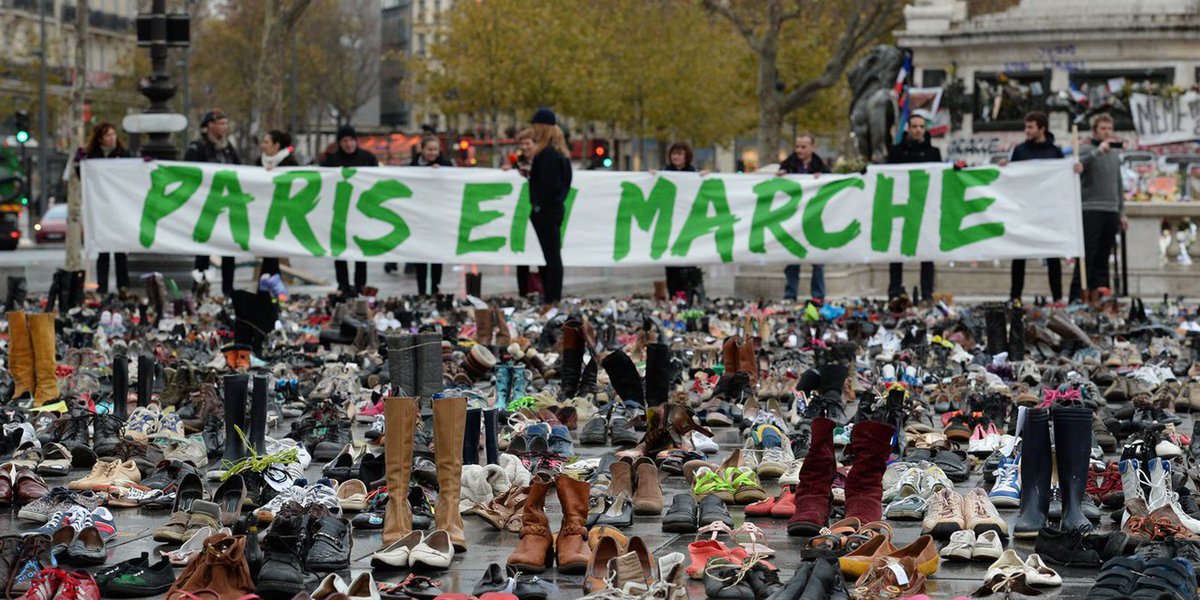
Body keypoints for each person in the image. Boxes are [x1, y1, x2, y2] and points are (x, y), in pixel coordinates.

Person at [1003, 112, 1079, 305]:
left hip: (1048, 212)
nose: (1026, 131)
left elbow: (1063, 180)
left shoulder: (1055, 152)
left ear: (1042, 128)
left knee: (1053, 254)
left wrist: (1073, 171)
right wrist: (1005, 168)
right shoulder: (1020, 151)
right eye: (1026, 127)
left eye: (1030, 127)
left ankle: (1057, 297)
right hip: (1025, 211)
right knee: (1019, 255)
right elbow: (1012, 179)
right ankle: (1015, 296)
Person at [515, 108, 571, 305]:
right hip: (553, 210)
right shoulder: (558, 153)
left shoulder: (546, 154)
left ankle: (552, 298)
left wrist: (537, 205)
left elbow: (548, 185)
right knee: (552, 256)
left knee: (552, 257)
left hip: (546, 212)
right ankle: (552, 297)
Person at [1069, 114, 1127, 304]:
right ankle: (1077, 295)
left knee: (1103, 256)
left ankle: (1099, 295)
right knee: (1087, 255)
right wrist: (1098, 151)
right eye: (1102, 129)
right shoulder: (1086, 150)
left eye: (1109, 128)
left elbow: (1118, 184)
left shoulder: (1114, 155)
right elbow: (1078, 167)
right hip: (1090, 209)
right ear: (1095, 131)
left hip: (1110, 210)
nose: (1107, 132)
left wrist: (1121, 213)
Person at [885, 114, 942, 306]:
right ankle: (895, 291)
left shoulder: (934, 153)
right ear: (908, 129)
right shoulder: (896, 152)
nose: (918, 130)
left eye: (921, 126)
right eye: (914, 126)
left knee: (927, 251)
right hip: (901, 208)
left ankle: (927, 294)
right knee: (897, 251)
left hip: (925, 208)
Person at [184, 109, 240, 297]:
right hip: (206, 207)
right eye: (220, 123)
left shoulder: (228, 148)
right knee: (203, 250)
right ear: (209, 125)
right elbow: (188, 173)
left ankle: (228, 291)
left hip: (225, 207)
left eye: (226, 123)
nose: (224, 127)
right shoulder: (197, 148)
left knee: (229, 249)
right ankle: (200, 288)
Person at [321, 124, 378, 294]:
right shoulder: (331, 160)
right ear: (340, 142)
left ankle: (360, 284)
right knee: (340, 249)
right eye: (345, 140)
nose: (349, 144)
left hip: (361, 212)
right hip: (339, 212)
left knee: (360, 249)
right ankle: (343, 284)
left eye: (352, 140)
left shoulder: (367, 158)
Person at [778, 134, 830, 302]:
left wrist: (823, 178)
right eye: (797, 146)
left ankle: (818, 296)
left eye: (803, 147)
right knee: (793, 259)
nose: (799, 150)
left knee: (818, 261)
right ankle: (790, 295)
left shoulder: (821, 166)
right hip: (794, 220)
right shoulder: (789, 164)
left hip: (814, 220)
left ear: (812, 148)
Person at [83, 122, 131, 296]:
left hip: (118, 209)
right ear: (100, 139)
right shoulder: (92, 157)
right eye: (108, 135)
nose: (112, 138)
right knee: (103, 250)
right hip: (101, 209)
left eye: (114, 134)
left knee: (120, 251)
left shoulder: (123, 155)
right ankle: (101, 288)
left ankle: (123, 286)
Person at [657, 142, 707, 303]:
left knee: (688, 263)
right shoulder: (665, 172)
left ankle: (690, 296)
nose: (676, 157)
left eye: (679, 154)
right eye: (673, 154)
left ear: (686, 157)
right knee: (671, 263)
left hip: (687, 225)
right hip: (670, 225)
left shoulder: (693, 173)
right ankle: (674, 297)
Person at [405, 136, 453, 295]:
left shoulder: (446, 165)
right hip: (419, 218)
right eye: (429, 149)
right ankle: (421, 292)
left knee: (436, 256)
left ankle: (435, 290)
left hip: (438, 218)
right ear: (422, 149)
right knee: (421, 256)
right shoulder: (412, 167)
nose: (433, 153)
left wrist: (443, 174)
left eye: (435, 149)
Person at [258, 130, 298, 280]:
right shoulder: (258, 162)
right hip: (264, 213)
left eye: (267, 142)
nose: (263, 146)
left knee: (272, 252)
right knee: (269, 254)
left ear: (277, 145)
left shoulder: (290, 163)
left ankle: (270, 286)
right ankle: (273, 287)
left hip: (282, 214)